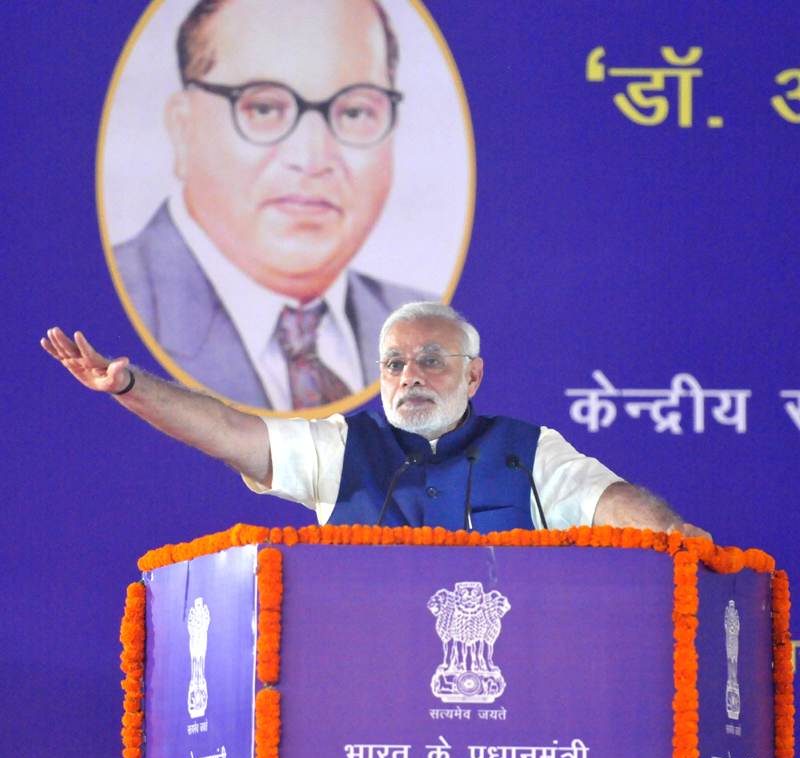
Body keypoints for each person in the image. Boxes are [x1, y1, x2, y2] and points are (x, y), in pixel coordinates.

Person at [41, 302, 710, 537]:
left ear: (473, 374)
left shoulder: (527, 450)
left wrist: (674, 534)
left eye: (429, 360)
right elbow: (225, 430)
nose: (409, 375)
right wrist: (128, 386)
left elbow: (610, 501)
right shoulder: (342, 446)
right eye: (393, 363)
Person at [113, 0, 433, 411]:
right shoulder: (111, 314)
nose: (313, 158)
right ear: (182, 127)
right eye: (263, 108)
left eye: (355, 111)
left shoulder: (427, 325)